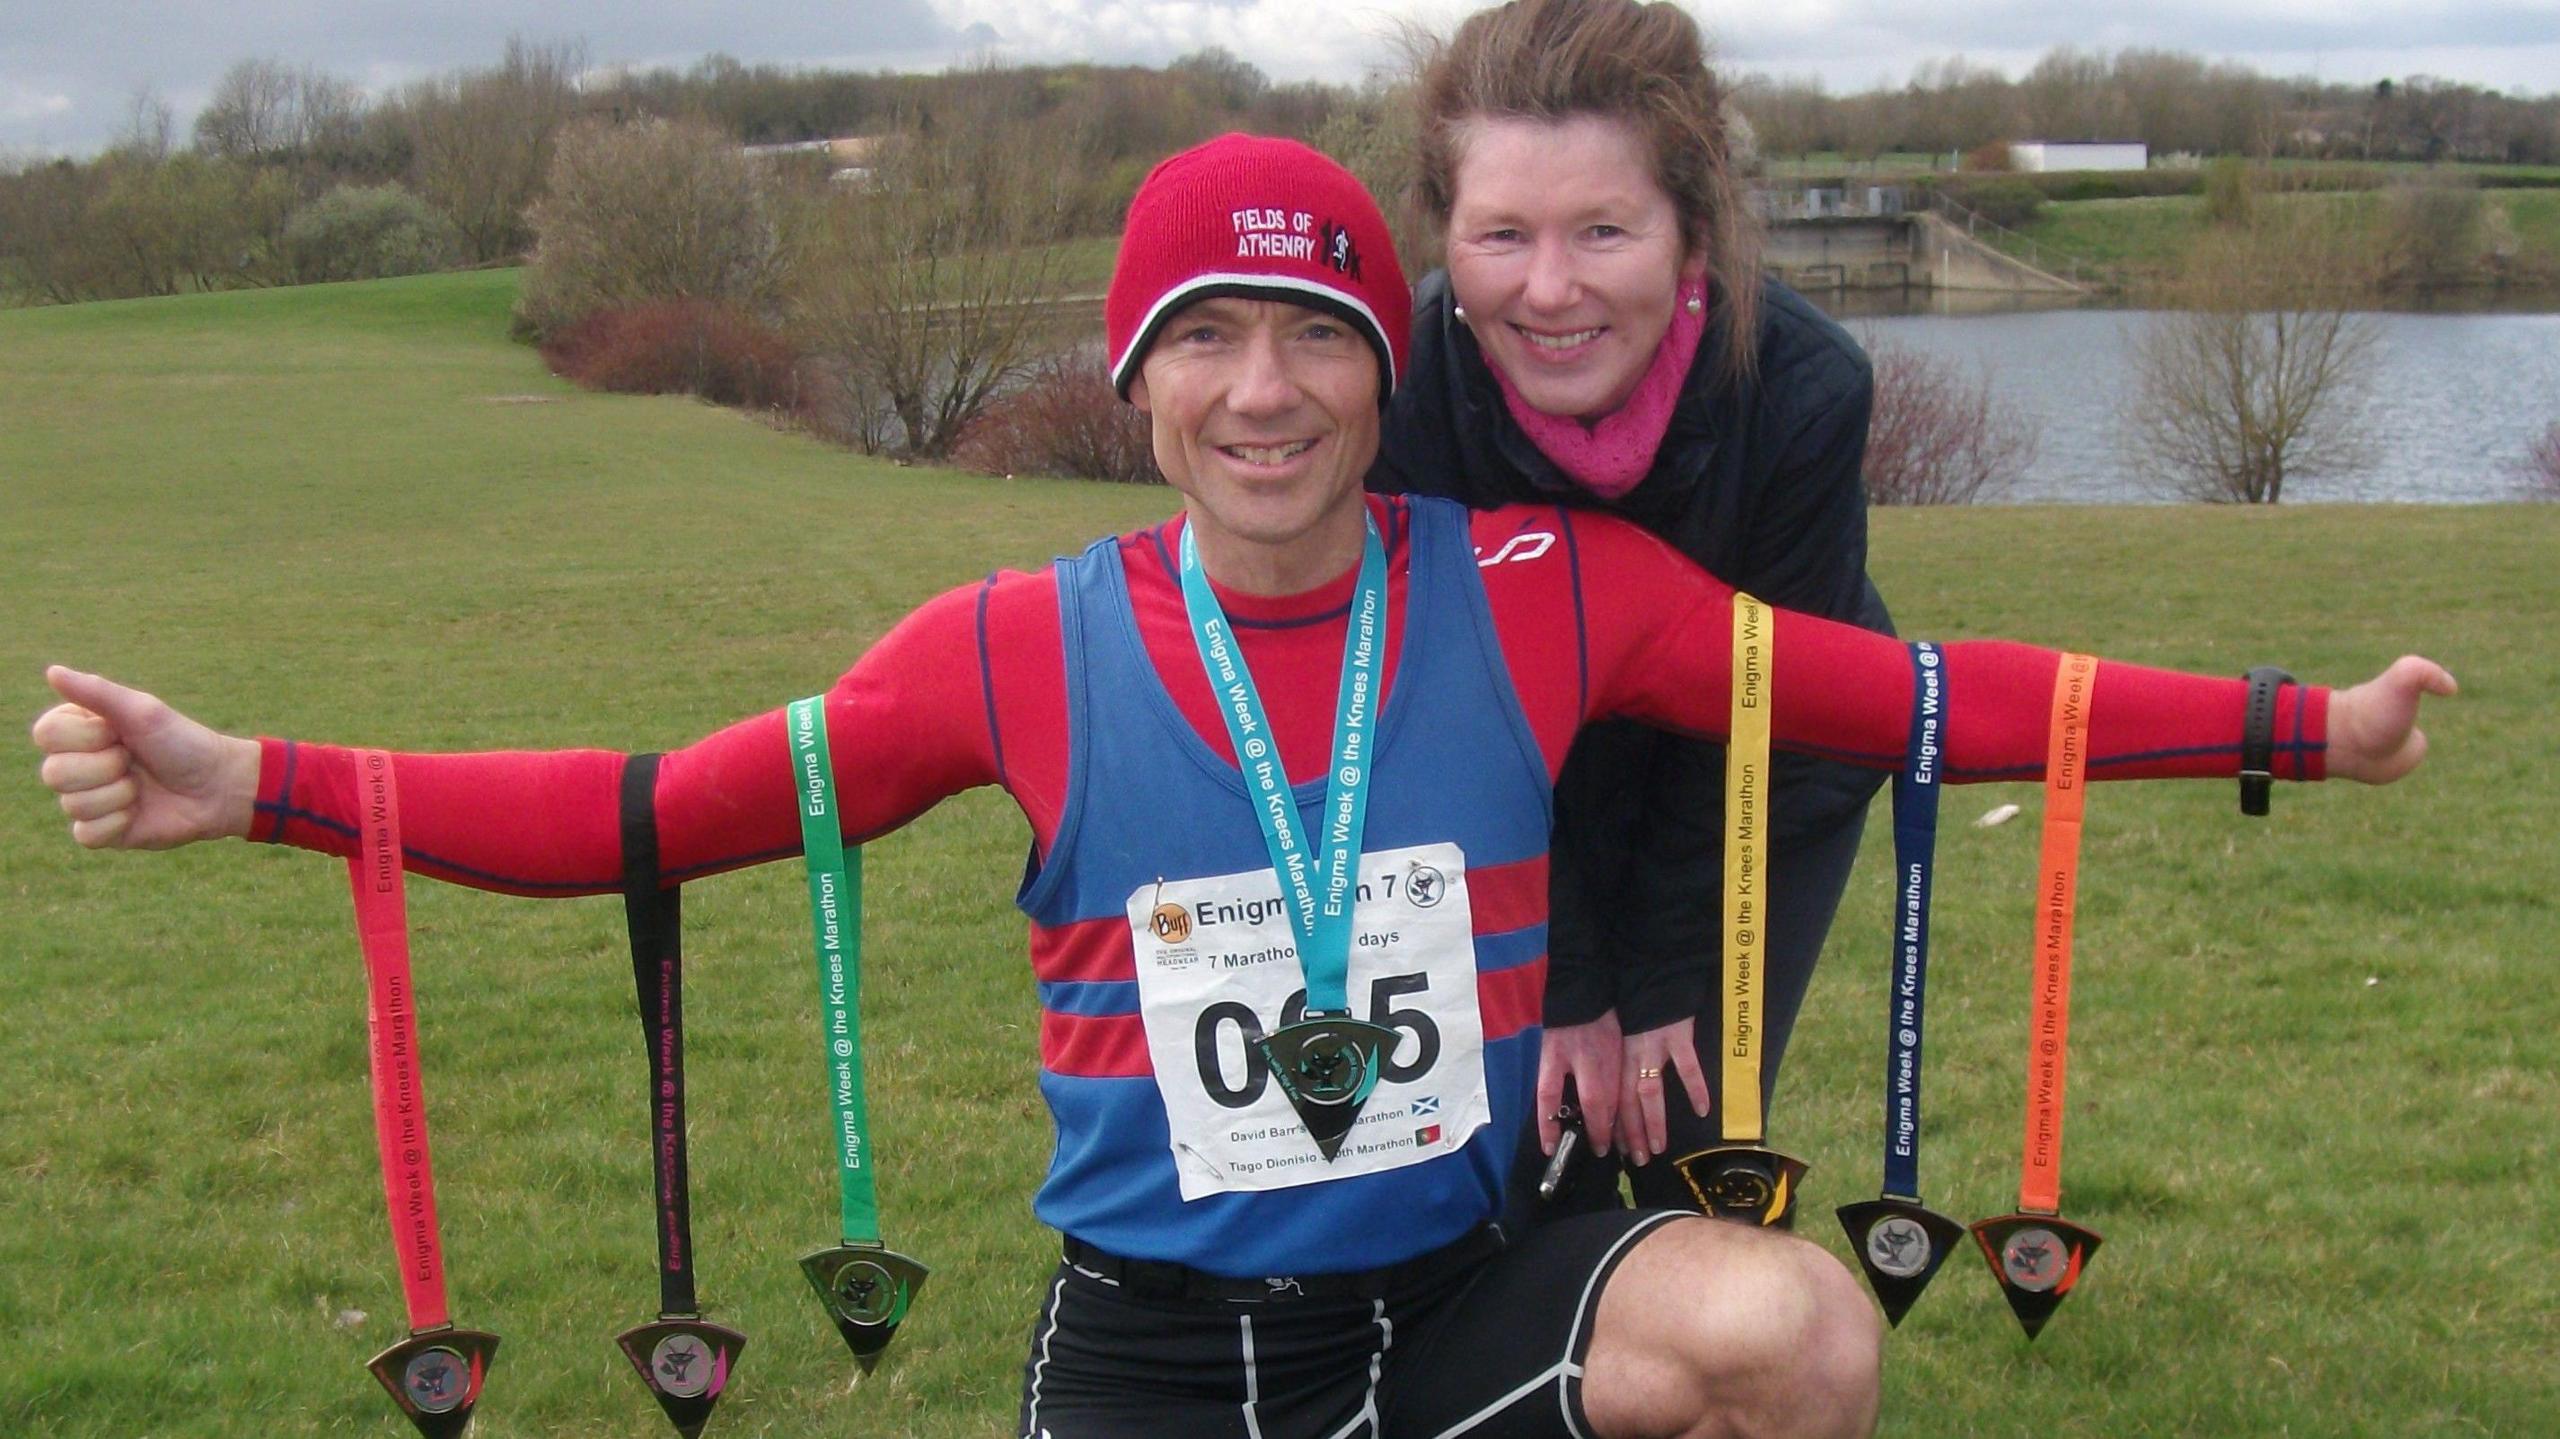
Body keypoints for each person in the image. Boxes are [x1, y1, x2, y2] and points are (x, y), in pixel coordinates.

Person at [34, 135, 2451, 1439]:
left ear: (1381, 370)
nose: (1266, 389)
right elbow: (649, 809)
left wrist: (2288, 724)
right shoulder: (1005, 645)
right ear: (1137, 378)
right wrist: (260, 778)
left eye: (1313, 331)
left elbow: (1905, 698)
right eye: (1210, 339)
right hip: (1159, 1336)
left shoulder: (1533, 577)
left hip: (1472, 1272)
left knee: (1792, 1337)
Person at [1371, 0, 1893, 1200]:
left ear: (1689, 233)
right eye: (1502, 235)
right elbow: (1450, 725)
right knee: (1515, 1150)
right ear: (1444, 236)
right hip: (1502, 785)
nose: (1549, 290)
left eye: (1602, 229)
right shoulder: (1401, 403)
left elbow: (1753, 717)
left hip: (1762, 779)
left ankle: (1721, 1363)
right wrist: (1565, 983)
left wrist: (1653, 982)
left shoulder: (1804, 392)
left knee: (1681, 1134)